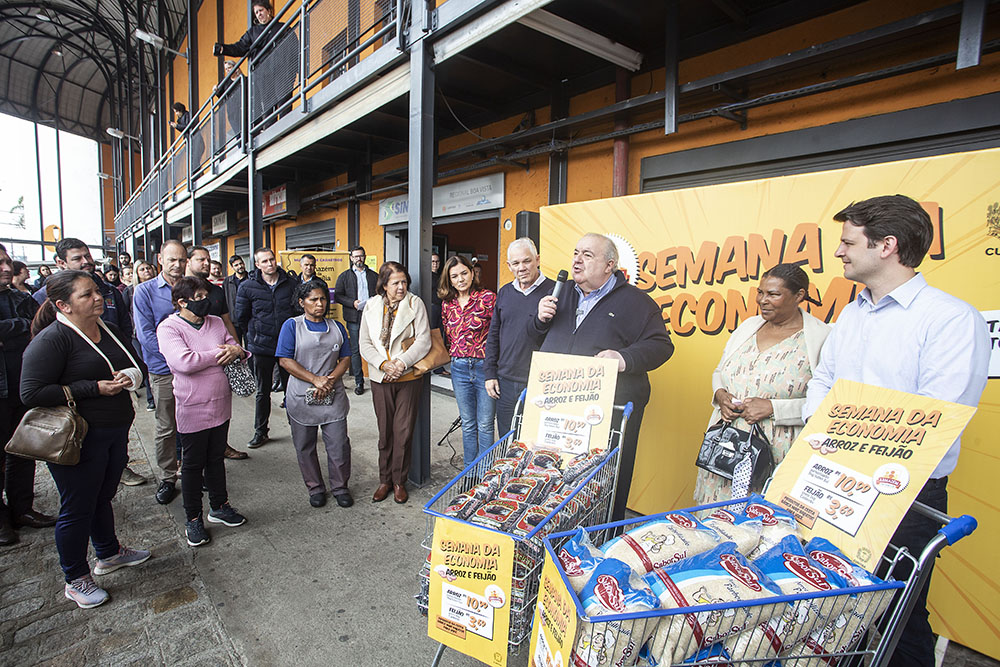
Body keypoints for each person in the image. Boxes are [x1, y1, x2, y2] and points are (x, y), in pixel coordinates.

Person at [803, 195, 989, 667]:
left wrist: (855, 447)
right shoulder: (852, 312)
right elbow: (825, 379)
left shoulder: (950, 319)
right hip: (835, 482)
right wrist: (821, 437)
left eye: (848, 242)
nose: (839, 252)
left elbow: (936, 416)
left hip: (904, 495)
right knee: (833, 605)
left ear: (887, 245)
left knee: (895, 614)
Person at [21, 270, 151, 609]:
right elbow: (30, 392)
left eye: (96, 291)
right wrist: (92, 388)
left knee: (102, 496)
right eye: (86, 295)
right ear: (63, 305)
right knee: (77, 507)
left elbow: (137, 363)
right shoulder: (52, 340)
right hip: (77, 439)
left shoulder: (107, 327)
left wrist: (130, 376)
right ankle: (75, 578)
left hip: (115, 430)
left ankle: (108, 552)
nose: (98, 298)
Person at [531, 233, 674, 521]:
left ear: (609, 265)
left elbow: (662, 346)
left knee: (604, 483)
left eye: (587, 254)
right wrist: (538, 320)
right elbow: (534, 339)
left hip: (608, 411)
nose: (577, 260)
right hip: (558, 406)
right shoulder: (560, 293)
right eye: (575, 252)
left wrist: (624, 359)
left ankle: (602, 536)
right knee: (555, 479)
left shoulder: (637, 303)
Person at [693, 264, 830, 504]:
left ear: (798, 296)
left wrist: (773, 408)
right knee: (713, 516)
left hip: (777, 450)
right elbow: (720, 371)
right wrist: (721, 395)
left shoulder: (821, 337)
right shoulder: (748, 326)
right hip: (725, 447)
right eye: (761, 292)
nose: (763, 300)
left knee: (759, 520)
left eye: (773, 294)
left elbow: (829, 401)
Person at [157, 277, 249, 547]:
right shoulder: (169, 328)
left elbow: (238, 349)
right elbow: (184, 361)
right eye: (199, 295)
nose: (206, 300)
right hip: (192, 407)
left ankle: (220, 506)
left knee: (216, 459)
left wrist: (234, 350)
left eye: (206, 294)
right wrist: (220, 353)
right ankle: (194, 519)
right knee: (193, 466)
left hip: (221, 403)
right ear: (182, 302)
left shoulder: (217, 322)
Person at [358, 262, 431, 505]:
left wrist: (400, 363)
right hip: (381, 377)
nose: (401, 287)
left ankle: (400, 481)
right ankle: (384, 480)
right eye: (395, 283)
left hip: (408, 376)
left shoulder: (414, 303)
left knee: (403, 431)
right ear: (384, 284)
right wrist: (382, 364)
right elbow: (365, 343)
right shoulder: (371, 305)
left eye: (404, 282)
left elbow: (424, 341)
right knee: (384, 432)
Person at [277, 280, 353, 508]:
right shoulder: (292, 326)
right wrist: (315, 380)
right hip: (302, 396)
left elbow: (346, 358)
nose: (320, 304)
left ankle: (340, 487)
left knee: (338, 445)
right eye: (313, 300)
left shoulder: (337, 327)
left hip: (333, 393)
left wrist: (329, 380)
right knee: (304, 445)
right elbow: (285, 360)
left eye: (322, 299)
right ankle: (315, 488)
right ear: (302, 303)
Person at [0, 243, 53, 546]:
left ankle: (22, 508)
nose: (7, 268)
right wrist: (17, 330)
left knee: (24, 450)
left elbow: (38, 329)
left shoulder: (21, 299)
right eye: (0, 264)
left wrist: (10, 331)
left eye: (7, 262)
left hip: (24, 388)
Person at [133, 240, 189, 504]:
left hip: (193, 369)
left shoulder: (191, 287)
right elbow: (145, 335)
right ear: (160, 260)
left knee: (192, 423)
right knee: (167, 425)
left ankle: (191, 470)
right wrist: (177, 359)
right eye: (172, 260)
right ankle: (168, 477)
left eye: (182, 260)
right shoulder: (144, 291)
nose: (177, 265)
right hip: (164, 369)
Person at [484, 238, 555, 436]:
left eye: (527, 261)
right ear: (509, 266)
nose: (521, 267)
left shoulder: (555, 292)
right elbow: (494, 335)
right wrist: (490, 373)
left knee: (535, 439)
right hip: (505, 381)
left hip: (539, 381)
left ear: (538, 260)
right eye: (515, 263)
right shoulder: (505, 292)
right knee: (507, 438)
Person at [186, 246, 247, 460]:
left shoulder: (216, 291)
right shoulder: (180, 291)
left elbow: (226, 321)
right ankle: (185, 460)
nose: (206, 263)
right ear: (188, 262)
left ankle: (222, 445)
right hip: (191, 364)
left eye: (208, 259)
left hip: (221, 360)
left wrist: (238, 350)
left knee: (221, 406)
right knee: (187, 416)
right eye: (201, 259)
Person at [439, 255, 497, 463]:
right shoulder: (448, 304)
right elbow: (449, 334)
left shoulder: (488, 298)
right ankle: (470, 472)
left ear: (472, 273)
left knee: (485, 424)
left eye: (464, 273)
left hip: (484, 367)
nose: (460, 279)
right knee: (468, 422)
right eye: (455, 276)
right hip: (459, 368)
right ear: (449, 279)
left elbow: (496, 334)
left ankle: (486, 475)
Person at [235, 247, 295, 449]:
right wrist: (254, 336)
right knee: (263, 391)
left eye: (272, 259)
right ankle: (261, 432)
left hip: (288, 347)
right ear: (258, 265)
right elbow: (240, 318)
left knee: (292, 391)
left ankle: (297, 429)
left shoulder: (290, 283)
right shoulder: (247, 287)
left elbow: (298, 312)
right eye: (265, 261)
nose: (270, 264)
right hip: (261, 347)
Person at [34, 240, 132, 343]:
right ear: (61, 263)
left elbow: (125, 327)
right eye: (77, 259)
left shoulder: (110, 291)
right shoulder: (45, 296)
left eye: (88, 256)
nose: (86, 261)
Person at [334, 246, 378, 396]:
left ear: (365, 257)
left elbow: (381, 293)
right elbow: (338, 296)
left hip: (372, 316)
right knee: (355, 350)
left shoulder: (374, 275)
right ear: (351, 258)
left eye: (361, 256)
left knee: (376, 347)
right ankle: (359, 381)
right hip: (354, 317)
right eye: (356, 256)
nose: (359, 259)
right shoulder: (344, 276)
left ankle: (376, 378)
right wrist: (352, 302)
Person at [124, 260, 157, 416]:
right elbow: (125, 314)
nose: (146, 271)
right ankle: (151, 398)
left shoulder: (160, 288)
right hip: (137, 335)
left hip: (159, 332)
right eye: (142, 269)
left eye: (148, 268)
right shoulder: (130, 291)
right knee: (145, 365)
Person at [223, 254, 250, 347]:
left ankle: (250, 362)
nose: (240, 266)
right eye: (236, 265)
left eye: (241, 263)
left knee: (250, 345)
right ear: (232, 267)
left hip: (249, 319)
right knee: (236, 345)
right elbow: (225, 299)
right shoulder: (227, 281)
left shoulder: (251, 279)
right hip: (234, 320)